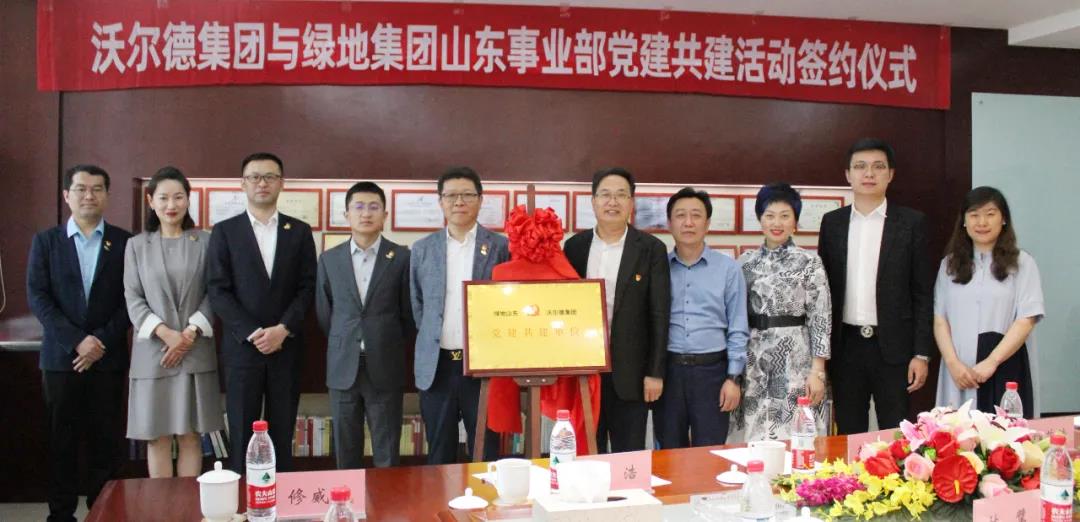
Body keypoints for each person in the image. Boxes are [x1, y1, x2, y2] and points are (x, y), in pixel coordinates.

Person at [27, 164, 132, 521]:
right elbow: (39, 297)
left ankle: (105, 512)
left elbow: (130, 300)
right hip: (61, 360)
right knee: (62, 441)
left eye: (97, 189)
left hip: (107, 358)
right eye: (81, 189)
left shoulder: (124, 242)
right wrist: (77, 341)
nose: (89, 195)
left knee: (106, 441)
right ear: (66, 195)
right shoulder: (46, 242)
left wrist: (98, 341)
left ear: (107, 195)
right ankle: (61, 514)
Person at [207, 152, 316, 473]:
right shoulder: (225, 231)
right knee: (242, 432)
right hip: (242, 349)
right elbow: (218, 290)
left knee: (282, 431)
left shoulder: (299, 231)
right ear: (243, 184)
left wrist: (283, 329)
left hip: (286, 347)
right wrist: (253, 332)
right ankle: (243, 496)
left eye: (270, 176)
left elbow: (308, 287)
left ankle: (281, 495)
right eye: (254, 177)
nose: (262, 183)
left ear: (282, 183)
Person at [818, 138, 933, 434]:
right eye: (860, 166)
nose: (869, 173)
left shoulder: (912, 223)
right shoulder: (832, 223)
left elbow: (922, 293)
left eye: (878, 167)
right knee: (848, 431)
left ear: (890, 174)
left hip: (895, 348)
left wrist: (921, 353)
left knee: (896, 433)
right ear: (848, 174)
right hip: (845, 347)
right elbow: (823, 293)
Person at [124, 166, 222, 478]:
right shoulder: (136, 246)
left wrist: (190, 332)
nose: (171, 205)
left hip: (196, 350)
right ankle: (160, 504)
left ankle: (189, 503)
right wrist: (166, 334)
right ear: (150, 201)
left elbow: (216, 292)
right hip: (153, 354)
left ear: (188, 200)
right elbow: (132, 296)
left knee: (191, 435)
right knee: (158, 437)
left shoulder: (206, 241)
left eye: (178, 197)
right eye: (163, 197)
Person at [564, 167, 671, 452]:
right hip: (585, 372)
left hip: (632, 375)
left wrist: (655, 373)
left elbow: (659, 314)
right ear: (593, 201)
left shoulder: (651, 249)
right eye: (605, 195)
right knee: (588, 453)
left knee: (629, 458)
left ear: (631, 202)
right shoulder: (574, 247)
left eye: (621, 195)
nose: (613, 202)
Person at [410, 167, 509, 464]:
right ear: (440, 201)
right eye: (451, 195)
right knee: (439, 452)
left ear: (480, 200)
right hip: (437, 365)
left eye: (467, 195)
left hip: (481, 365)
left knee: (485, 451)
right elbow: (417, 303)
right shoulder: (422, 249)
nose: (459, 202)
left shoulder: (501, 247)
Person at [316, 181, 413, 468]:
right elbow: (324, 313)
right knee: (346, 449)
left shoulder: (402, 258)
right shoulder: (329, 259)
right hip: (342, 364)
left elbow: (408, 314)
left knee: (387, 449)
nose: (366, 213)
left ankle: (386, 498)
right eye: (358, 207)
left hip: (385, 364)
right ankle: (349, 498)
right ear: (346, 215)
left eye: (374, 207)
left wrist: (382, 339)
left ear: (385, 215)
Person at [730, 183, 831, 442]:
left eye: (785, 215)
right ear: (760, 219)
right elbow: (735, 317)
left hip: (795, 359)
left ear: (795, 221)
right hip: (753, 359)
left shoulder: (810, 262)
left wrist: (817, 371)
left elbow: (820, 317)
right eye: (770, 215)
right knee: (754, 433)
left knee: (795, 431)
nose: (777, 223)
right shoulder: (745, 263)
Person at [933, 186, 1044, 418]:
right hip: (959, 371)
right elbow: (940, 319)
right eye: (974, 215)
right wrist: (953, 364)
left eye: (990, 214)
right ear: (964, 221)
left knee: (1005, 433)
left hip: (1005, 366)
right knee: (956, 430)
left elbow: (1026, 319)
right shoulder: (949, 265)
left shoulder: (1022, 263)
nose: (982, 222)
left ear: (1003, 219)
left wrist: (992, 361)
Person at [654, 187, 749, 448]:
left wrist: (733, 378)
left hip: (712, 373)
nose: (688, 222)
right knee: (668, 452)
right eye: (680, 215)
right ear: (669, 223)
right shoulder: (658, 267)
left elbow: (738, 326)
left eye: (696, 215)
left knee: (710, 452)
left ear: (707, 224)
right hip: (669, 373)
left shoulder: (728, 268)